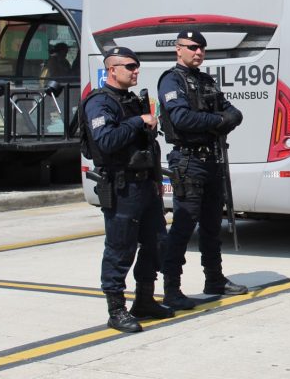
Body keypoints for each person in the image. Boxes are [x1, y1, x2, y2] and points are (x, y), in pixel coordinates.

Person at [80, 46, 173, 333]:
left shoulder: (131, 100)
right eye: (130, 67)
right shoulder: (99, 103)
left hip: (145, 183)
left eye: (136, 66)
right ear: (112, 70)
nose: (135, 71)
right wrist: (137, 121)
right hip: (121, 186)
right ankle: (116, 309)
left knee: (157, 243)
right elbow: (106, 140)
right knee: (120, 249)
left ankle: (144, 299)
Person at [159, 30, 248, 310]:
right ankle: (172, 289)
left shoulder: (206, 81)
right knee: (184, 228)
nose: (198, 52)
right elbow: (182, 118)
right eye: (193, 47)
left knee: (212, 226)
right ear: (179, 49)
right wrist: (218, 121)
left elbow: (235, 113)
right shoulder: (171, 80)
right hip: (188, 162)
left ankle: (215, 279)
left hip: (212, 160)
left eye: (202, 48)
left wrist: (214, 120)